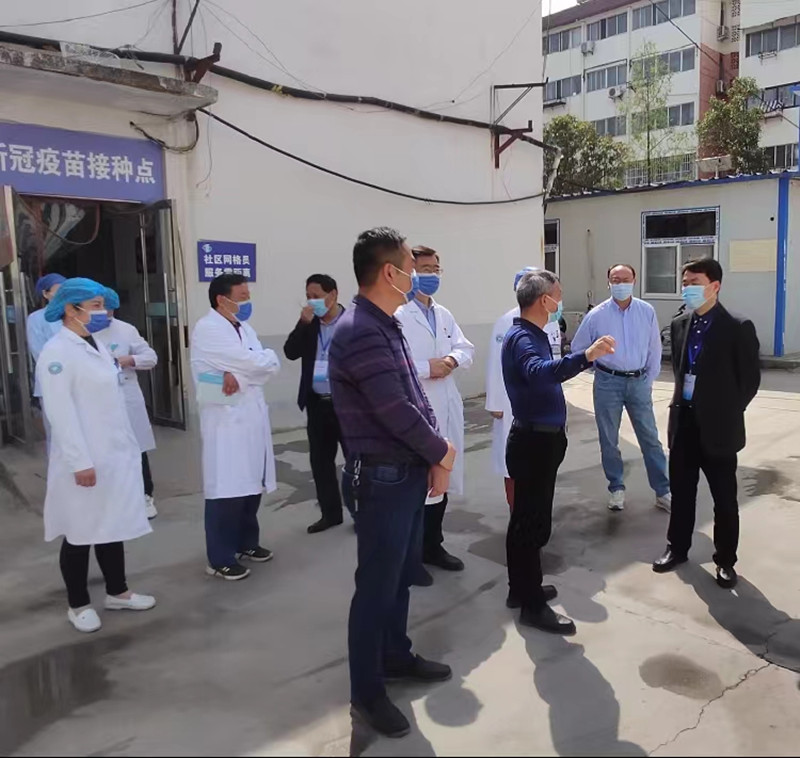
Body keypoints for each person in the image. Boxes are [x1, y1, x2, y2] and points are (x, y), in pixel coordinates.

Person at [330, 227, 457, 739]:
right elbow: (394, 409)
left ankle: (395, 655)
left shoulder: (387, 324)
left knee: (400, 577)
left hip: (404, 472)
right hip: (381, 477)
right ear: (390, 272)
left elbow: (417, 397)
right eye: (411, 266)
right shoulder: (360, 329)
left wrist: (433, 450)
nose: (418, 275)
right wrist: (441, 451)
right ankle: (367, 693)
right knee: (376, 588)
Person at [37, 278, 155, 634]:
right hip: (84, 460)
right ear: (71, 309)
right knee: (79, 531)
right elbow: (60, 414)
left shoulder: (97, 345)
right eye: (96, 306)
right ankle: (78, 604)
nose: (104, 313)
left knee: (111, 524)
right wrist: (80, 462)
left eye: (103, 305)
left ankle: (118, 591)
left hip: (112, 454)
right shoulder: (57, 353)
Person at [502, 270, 615, 634]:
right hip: (533, 443)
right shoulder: (523, 338)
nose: (561, 301)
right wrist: (586, 356)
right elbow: (538, 372)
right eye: (559, 295)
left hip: (539, 440)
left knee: (525, 521)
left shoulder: (533, 334)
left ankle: (521, 589)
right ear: (544, 300)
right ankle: (532, 605)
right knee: (531, 525)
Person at [652, 258, 760, 589]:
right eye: (685, 283)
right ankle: (677, 548)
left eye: (694, 283)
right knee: (682, 493)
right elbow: (680, 370)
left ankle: (725, 560)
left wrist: (724, 411)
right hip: (684, 422)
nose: (687, 288)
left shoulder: (737, 326)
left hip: (719, 428)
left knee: (724, 499)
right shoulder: (680, 324)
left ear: (715, 286)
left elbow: (750, 381)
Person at [191, 273, 281, 581]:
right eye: (242, 297)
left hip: (251, 417)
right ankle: (220, 558)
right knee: (226, 489)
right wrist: (248, 369)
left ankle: (246, 543)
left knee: (250, 484)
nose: (247, 302)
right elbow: (252, 363)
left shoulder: (244, 327)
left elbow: (268, 365)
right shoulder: (208, 329)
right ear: (222, 299)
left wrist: (239, 374)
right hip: (225, 421)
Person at [395, 245, 474, 582]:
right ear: (408, 272)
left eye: (435, 269)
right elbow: (391, 364)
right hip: (415, 408)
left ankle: (433, 546)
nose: (431, 276)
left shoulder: (443, 314)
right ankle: (409, 556)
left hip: (446, 403)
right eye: (424, 269)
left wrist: (452, 360)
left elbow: (465, 347)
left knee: (441, 480)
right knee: (416, 485)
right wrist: (428, 368)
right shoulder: (397, 314)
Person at [571, 264, 671, 513]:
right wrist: (597, 367)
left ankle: (663, 490)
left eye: (625, 279)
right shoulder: (597, 315)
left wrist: (648, 380)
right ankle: (616, 488)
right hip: (608, 382)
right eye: (615, 280)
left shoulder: (646, 311)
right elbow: (578, 348)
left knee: (650, 438)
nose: (620, 284)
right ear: (608, 283)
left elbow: (654, 348)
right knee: (609, 439)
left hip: (639, 381)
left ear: (634, 280)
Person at [485, 267, 561, 510]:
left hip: (544, 402)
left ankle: (535, 512)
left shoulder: (551, 321)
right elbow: (496, 363)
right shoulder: (508, 322)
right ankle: (516, 508)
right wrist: (495, 402)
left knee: (541, 466)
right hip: (513, 401)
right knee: (514, 464)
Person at [283, 274, 346, 534]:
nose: (312, 301)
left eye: (317, 296)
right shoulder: (309, 324)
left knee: (356, 461)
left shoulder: (352, 322)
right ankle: (330, 514)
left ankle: (362, 512)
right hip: (317, 403)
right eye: (308, 296)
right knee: (320, 462)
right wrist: (302, 324)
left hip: (348, 405)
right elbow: (290, 352)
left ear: (333, 295)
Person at [95, 287, 159, 520]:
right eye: (98, 307)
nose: (104, 313)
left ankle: (145, 495)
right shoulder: (80, 332)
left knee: (137, 448)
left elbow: (151, 357)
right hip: (98, 400)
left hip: (126, 394)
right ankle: (111, 499)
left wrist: (131, 359)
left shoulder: (126, 330)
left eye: (108, 309)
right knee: (105, 450)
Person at [27, 273, 66, 414]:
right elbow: (39, 352)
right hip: (52, 378)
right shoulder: (36, 318)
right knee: (56, 423)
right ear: (45, 294)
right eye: (58, 290)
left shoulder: (74, 314)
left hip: (78, 380)